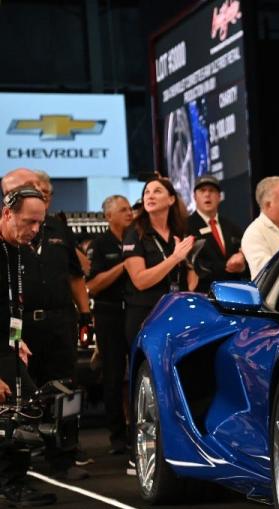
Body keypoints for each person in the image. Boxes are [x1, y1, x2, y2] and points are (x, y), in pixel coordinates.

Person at [2, 168, 90, 479]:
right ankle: (18, 469)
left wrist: (85, 315)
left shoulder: (58, 230)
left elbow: (76, 275)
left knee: (65, 390)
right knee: (21, 396)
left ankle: (64, 458)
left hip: (58, 321)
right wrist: (12, 337)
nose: (35, 227)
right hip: (22, 325)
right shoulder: (8, 236)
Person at [0, 186, 58, 506]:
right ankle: (13, 482)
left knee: (26, 407)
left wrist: (15, 341)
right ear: (8, 214)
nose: (35, 230)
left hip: (6, 345)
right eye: (29, 222)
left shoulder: (17, 251)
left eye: (40, 223)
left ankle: (13, 481)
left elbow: (13, 306)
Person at [122, 177, 198, 347]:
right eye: (146, 192)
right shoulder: (134, 233)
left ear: (171, 199)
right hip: (146, 316)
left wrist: (187, 265)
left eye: (157, 191)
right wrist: (174, 258)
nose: (150, 196)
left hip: (177, 312)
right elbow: (140, 281)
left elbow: (190, 276)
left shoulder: (179, 231)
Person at [86, 195, 134, 455]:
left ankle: (137, 429)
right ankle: (116, 435)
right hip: (109, 314)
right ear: (109, 216)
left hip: (133, 313)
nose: (129, 213)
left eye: (130, 209)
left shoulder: (136, 238)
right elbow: (93, 285)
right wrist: (123, 267)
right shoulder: (100, 244)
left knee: (136, 374)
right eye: (123, 210)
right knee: (114, 375)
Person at [188, 175, 247, 293]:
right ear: (194, 196)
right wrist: (227, 266)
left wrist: (242, 264)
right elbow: (195, 265)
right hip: (204, 295)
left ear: (219, 197)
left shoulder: (232, 226)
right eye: (202, 190)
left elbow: (244, 256)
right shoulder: (187, 226)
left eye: (212, 190)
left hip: (233, 293)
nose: (207, 195)